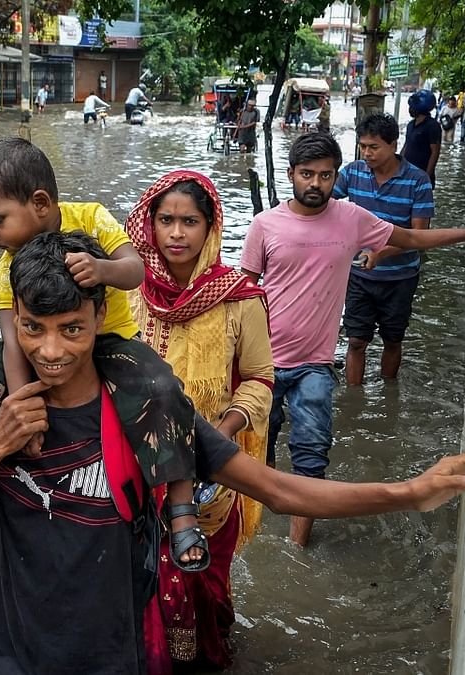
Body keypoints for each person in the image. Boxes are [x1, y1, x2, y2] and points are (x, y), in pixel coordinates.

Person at [0, 229, 465, 674]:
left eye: (72, 328)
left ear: (100, 319)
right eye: (34, 327)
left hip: (116, 657)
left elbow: (277, 487)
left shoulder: (144, 406)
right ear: (15, 319)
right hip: (6, 655)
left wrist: (413, 492)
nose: (52, 350)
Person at [0, 138, 207, 570]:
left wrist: (101, 269)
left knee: (163, 387)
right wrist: (24, 411)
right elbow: (13, 337)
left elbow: (135, 270)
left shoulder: (90, 217)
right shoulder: (8, 265)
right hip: (37, 353)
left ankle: (181, 508)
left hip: (109, 345)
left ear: (40, 203)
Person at [240, 133, 465, 547]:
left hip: (315, 365)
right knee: (255, 452)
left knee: (311, 458)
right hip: (261, 363)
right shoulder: (264, 226)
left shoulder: (351, 218)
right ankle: (250, 535)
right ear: (291, 175)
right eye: (307, 174)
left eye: (326, 175)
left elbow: (410, 239)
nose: (316, 184)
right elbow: (243, 294)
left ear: (336, 176)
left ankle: (295, 549)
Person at [124, 171, 273, 672]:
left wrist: (222, 434)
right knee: (136, 584)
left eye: (190, 221)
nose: (176, 233)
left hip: (210, 476)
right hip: (133, 469)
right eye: (165, 220)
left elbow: (259, 380)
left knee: (204, 583)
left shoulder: (241, 298)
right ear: (150, 223)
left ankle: (205, 656)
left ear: (211, 229)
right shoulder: (128, 289)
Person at [333, 114, 435, 386]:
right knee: (355, 340)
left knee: (393, 339)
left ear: (393, 144)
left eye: (374, 147)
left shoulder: (418, 181)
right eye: (363, 146)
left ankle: (389, 390)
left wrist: (380, 254)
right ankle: (354, 399)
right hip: (359, 276)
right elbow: (323, 202)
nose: (367, 153)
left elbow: (419, 235)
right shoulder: (353, 173)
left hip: (400, 278)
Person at [403, 90, 442, 186]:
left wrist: (426, 176)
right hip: (407, 174)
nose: (410, 109)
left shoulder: (432, 126)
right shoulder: (411, 125)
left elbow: (435, 152)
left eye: (412, 107)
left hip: (421, 175)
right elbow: (406, 146)